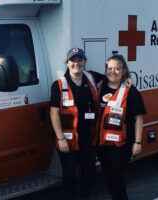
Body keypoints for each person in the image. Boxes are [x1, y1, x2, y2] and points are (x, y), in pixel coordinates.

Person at [50, 48, 104, 200]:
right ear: (67, 63)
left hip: (87, 137)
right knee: (69, 175)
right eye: (73, 60)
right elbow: (54, 113)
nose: (77, 63)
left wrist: (127, 78)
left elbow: (113, 77)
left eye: (80, 60)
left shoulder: (91, 78)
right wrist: (60, 138)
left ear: (85, 62)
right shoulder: (59, 85)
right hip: (67, 139)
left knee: (90, 172)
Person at [96, 54, 146, 200]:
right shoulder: (99, 86)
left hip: (121, 145)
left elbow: (138, 118)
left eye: (117, 68)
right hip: (102, 144)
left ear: (124, 71)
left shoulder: (131, 91)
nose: (113, 71)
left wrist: (137, 142)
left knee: (116, 176)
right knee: (108, 176)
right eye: (110, 68)